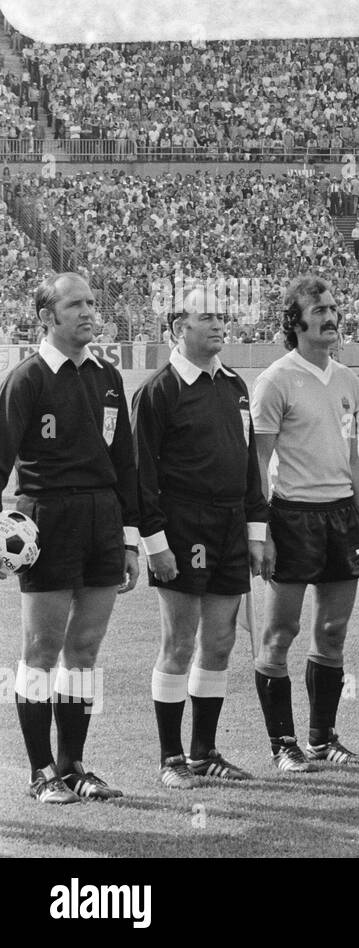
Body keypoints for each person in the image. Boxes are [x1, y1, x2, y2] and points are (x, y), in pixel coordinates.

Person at [0, 272, 140, 804]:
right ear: (47, 317)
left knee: (83, 650)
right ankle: (40, 772)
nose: (88, 311)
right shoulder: (26, 378)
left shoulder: (107, 376)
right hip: (48, 519)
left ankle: (73, 763)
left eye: (91, 302)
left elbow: (123, 463)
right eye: (75, 304)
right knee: (40, 649)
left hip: (103, 519)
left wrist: (128, 538)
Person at [132, 286, 267, 788]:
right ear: (176, 328)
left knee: (220, 640)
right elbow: (141, 477)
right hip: (182, 527)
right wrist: (155, 543)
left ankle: (204, 750)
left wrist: (256, 531)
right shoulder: (157, 391)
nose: (217, 325)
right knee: (179, 639)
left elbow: (248, 465)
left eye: (220, 316)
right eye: (205, 316)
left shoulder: (234, 384)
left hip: (231, 526)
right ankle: (170, 757)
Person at [251, 275, 359, 772]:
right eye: (320, 310)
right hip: (292, 516)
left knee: (332, 629)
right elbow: (259, 464)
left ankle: (323, 738)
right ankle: (282, 744)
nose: (331, 317)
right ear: (295, 321)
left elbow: (352, 459)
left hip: (342, 517)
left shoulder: (348, 379)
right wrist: (259, 532)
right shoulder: (276, 380)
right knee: (280, 632)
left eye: (333, 307)